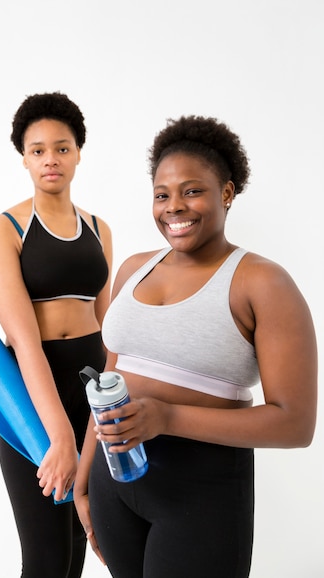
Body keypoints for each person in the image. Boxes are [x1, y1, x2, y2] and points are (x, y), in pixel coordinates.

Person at [74, 115, 317, 578]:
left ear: (226, 192)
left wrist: (166, 417)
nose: (174, 207)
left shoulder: (262, 283)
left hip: (201, 493)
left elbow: (295, 424)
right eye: (162, 194)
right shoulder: (132, 269)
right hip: (115, 479)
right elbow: (109, 380)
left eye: (191, 191)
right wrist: (86, 481)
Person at [0, 92, 112, 578]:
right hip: (33, 402)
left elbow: (109, 329)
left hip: (93, 394)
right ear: (24, 158)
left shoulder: (100, 228)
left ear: (78, 151)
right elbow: (24, 339)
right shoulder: (5, 228)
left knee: (79, 550)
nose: (50, 159)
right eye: (38, 150)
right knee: (45, 558)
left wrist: (107, 413)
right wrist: (60, 435)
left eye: (61, 147)